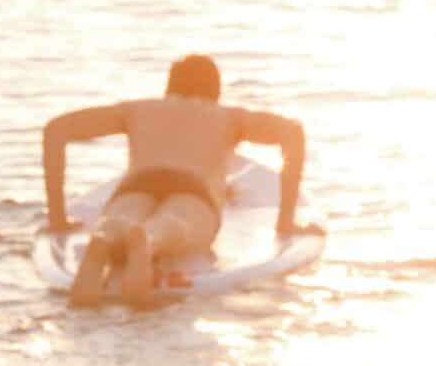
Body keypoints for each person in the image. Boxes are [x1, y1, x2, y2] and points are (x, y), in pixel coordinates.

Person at [42, 54, 320, 307]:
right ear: (216, 92)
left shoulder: (137, 109)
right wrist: (285, 222)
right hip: (192, 190)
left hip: (137, 185)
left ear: (169, 86)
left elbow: (56, 130)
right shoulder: (228, 117)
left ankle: (105, 238)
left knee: (121, 218)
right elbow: (293, 133)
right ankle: (149, 239)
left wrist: (57, 218)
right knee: (176, 223)